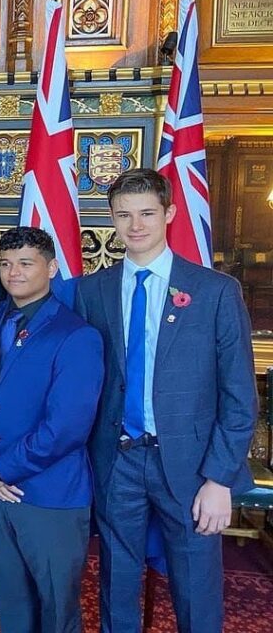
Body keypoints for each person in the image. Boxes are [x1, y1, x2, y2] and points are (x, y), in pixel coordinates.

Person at [76, 168, 257, 633]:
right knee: (116, 584)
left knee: (196, 589)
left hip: (193, 468)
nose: (135, 226)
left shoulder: (215, 291)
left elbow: (239, 395)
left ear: (170, 214)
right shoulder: (92, 290)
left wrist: (220, 479)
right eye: (124, 215)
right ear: (112, 219)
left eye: (147, 214)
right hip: (118, 460)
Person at [0, 226, 103, 633]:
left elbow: (67, 427)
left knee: (56, 606)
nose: (14, 273)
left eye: (26, 263)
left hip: (49, 493)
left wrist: (2, 469)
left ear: (52, 267)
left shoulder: (77, 334)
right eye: (6, 264)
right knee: (10, 598)